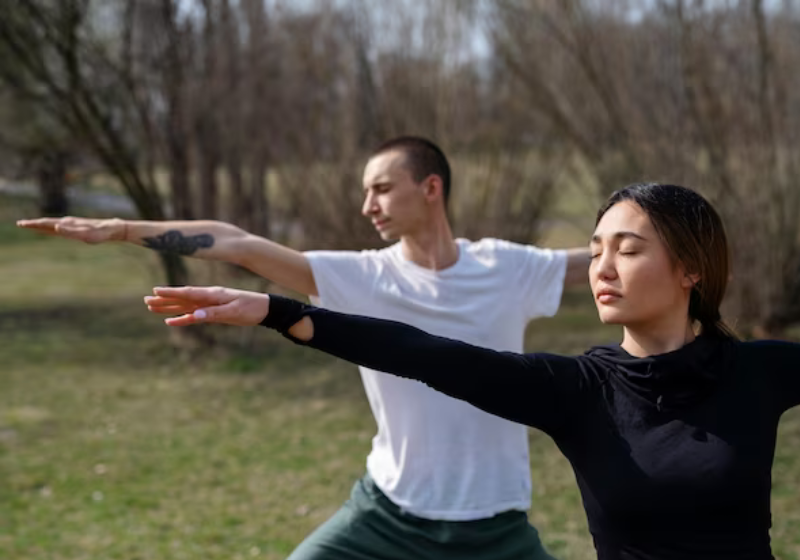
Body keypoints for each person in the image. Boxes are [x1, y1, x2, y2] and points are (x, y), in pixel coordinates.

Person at [145, 183, 800, 560]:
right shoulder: (579, 392)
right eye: (596, 249)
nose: (602, 268)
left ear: (692, 270)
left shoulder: (759, 372)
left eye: (628, 251)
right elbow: (424, 353)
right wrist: (274, 311)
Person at [19, 136, 589, 560]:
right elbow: (239, 244)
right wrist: (122, 230)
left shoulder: (507, 267)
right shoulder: (359, 276)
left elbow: (606, 264)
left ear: (431, 188)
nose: (368, 204)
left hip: (495, 526)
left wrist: (666, 238)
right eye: (365, 191)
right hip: (387, 514)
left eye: (382, 188)